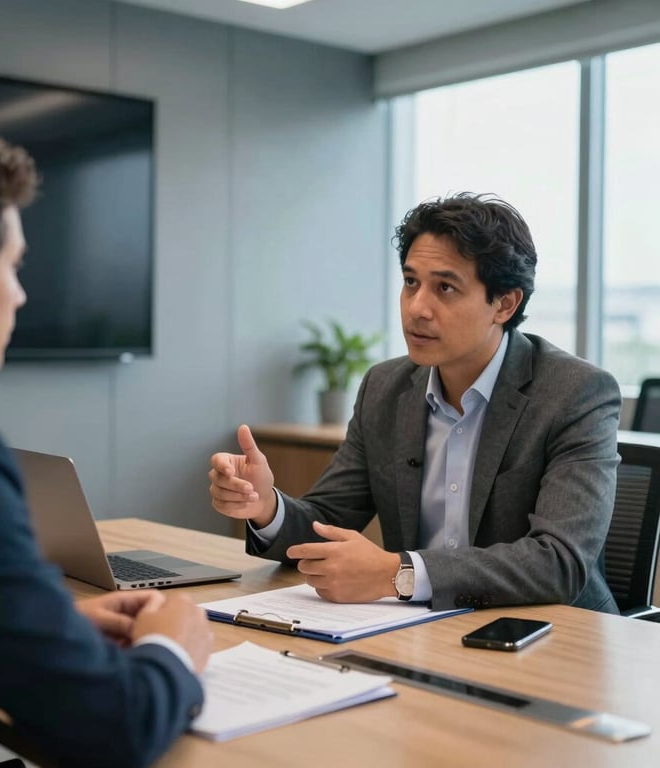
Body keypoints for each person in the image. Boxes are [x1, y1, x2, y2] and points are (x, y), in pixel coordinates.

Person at [0, 119, 213, 768]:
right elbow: (111, 728)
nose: (21, 293)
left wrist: (37, 633)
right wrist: (173, 647)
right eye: (13, 267)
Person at [209, 192, 621, 614]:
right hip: (419, 630)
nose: (417, 308)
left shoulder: (575, 393)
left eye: (445, 287)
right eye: (411, 282)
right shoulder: (385, 388)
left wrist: (399, 572)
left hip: (552, 636)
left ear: (504, 303)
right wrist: (266, 507)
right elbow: (327, 521)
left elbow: (559, 562)